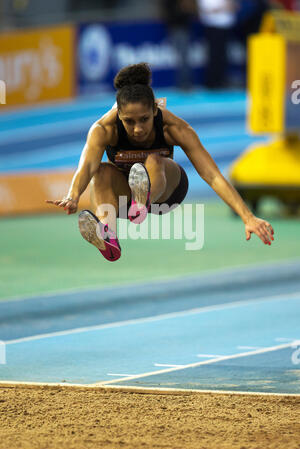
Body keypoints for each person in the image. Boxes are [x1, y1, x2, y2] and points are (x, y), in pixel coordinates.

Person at [46, 62, 274, 262]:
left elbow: (212, 175)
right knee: (101, 172)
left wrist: (248, 216)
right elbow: (86, 166)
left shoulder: (174, 127)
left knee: (154, 160)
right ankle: (108, 234)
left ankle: (142, 204)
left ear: (155, 109)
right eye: (129, 121)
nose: (137, 129)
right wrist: (73, 196)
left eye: (144, 119)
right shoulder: (103, 129)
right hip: (125, 194)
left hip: (167, 190)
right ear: (119, 116)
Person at [197, 0, 237, 89]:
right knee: (213, 54)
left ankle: (221, 80)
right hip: (212, 26)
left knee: (223, 54)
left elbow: (232, 7)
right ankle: (212, 82)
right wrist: (222, 8)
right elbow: (207, 10)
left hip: (225, 26)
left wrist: (222, 8)